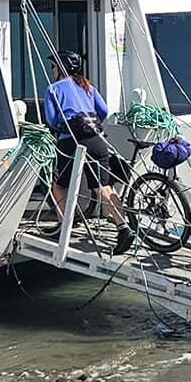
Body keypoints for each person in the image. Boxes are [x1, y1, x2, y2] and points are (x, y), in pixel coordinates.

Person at [43, 53, 129, 251]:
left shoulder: (53, 89)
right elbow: (104, 110)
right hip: (97, 139)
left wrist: (61, 126)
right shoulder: (88, 86)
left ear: (61, 68)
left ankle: (66, 226)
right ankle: (123, 228)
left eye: (53, 67)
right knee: (103, 186)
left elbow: (51, 120)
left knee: (59, 185)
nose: (52, 70)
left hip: (71, 141)